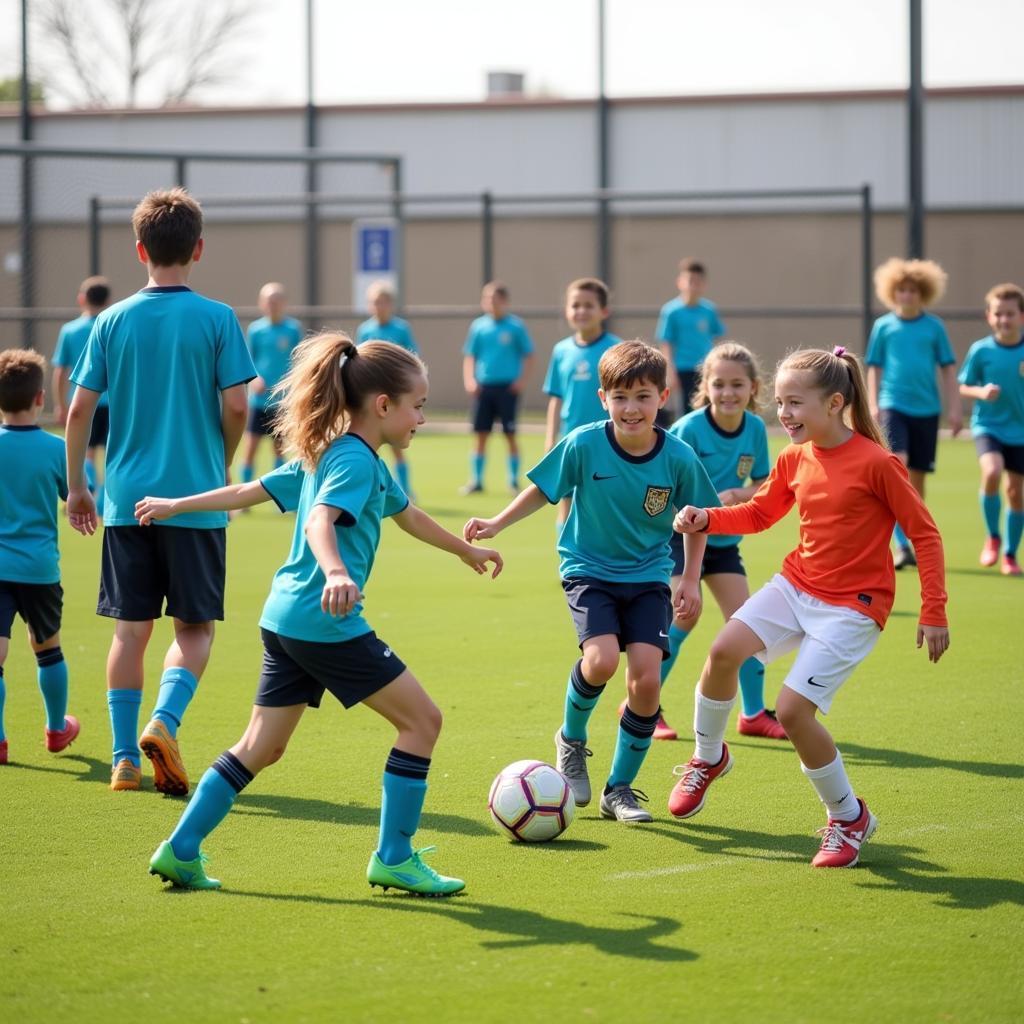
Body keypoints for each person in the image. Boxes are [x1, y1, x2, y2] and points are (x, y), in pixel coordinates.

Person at [142, 335, 502, 895]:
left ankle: (180, 849)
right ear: (383, 405)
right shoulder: (355, 462)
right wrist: (336, 572)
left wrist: (466, 549)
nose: (423, 419)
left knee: (262, 746)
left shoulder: (334, 452)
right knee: (422, 723)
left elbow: (256, 492)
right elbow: (319, 524)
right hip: (324, 621)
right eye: (419, 406)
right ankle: (395, 855)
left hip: (284, 620)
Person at [671, 347, 949, 868]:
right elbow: (759, 514)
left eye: (795, 403)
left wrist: (933, 609)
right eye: (780, 402)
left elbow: (925, 536)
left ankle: (849, 818)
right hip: (797, 585)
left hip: (853, 608)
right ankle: (708, 758)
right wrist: (705, 518)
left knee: (794, 711)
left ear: (836, 402)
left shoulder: (877, 462)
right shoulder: (794, 457)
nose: (785, 414)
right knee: (724, 650)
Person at [465, 340, 718, 824]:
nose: (631, 408)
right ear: (603, 398)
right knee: (600, 661)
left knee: (645, 679)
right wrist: (497, 523)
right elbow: (543, 489)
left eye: (643, 396)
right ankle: (571, 741)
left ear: (663, 397)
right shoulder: (584, 442)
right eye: (620, 396)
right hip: (587, 568)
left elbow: (699, 519)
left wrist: (688, 576)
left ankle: (619, 789)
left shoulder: (679, 457)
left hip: (647, 575)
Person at [64, 187, 256, 794]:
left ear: (139, 249)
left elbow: (76, 412)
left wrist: (78, 489)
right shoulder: (219, 317)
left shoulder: (110, 321)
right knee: (194, 631)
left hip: (124, 501)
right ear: (198, 249)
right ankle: (164, 723)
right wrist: (219, 466)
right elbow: (237, 405)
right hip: (195, 503)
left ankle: (124, 757)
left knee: (130, 631)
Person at [652, 342, 783, 741]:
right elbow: (659, 475)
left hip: (724, 542)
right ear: (704, 386)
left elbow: (763, 484)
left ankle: (754, 713)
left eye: (737, 385)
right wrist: (693, 509)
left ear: (753, 388)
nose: (728, 393)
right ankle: (644, 706)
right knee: (682, 618)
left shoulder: (756, 429)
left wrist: (736, 495)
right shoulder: (689, 429)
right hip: (680, 540)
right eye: (719, 384)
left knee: (746, 624)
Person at [0, 349, 79, 766]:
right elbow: (76, 498)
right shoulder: (56, 449)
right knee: (47, 648)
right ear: (38, 398)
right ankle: (55, 729)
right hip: (38, 568)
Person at [866, 257, 962, 569]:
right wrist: (872, 402)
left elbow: (948, 368)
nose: (907, 296)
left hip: (927, 410)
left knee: (916, 484)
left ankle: (915, 541)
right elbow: (874, 366)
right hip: (894, 404)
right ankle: (900, 546)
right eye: (902, 290)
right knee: (899, 467)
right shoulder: (883, 326)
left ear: (923, 293)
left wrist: (956, 407)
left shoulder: (934, 326)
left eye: (913, 291)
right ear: (892, 292)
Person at [542, 277, 621, 524]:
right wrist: (550, 441)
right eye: (575, 305)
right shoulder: (561, 350)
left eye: (589, 305)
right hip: (570, 442)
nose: (581, 311)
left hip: (608, 442)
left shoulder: (617, 350)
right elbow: (556, 399)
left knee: (606, 506)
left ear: (604, 311)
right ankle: (566, 560)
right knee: (565, 505)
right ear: (567, 310)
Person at [958, 282, 1024, 576]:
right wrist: (981, 393)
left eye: (1010, 314)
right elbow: (964, 385)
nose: (1004, 320)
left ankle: (1010, 555)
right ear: (989, 316)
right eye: (998, 314)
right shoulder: (981, 350)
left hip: (1020, 431)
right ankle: (992, 537)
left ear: (1021, 316)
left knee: (1015, 491)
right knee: (992, 471)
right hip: (989, 426)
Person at [460, 281, 534, 495]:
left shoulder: (516, 326)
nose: (490, 303)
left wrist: (521, 381)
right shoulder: (479, 327)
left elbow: (529, 355)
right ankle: (476, 480)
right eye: (486, 299)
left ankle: (513, 480)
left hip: (507, 388)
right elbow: (470, 355)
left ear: (505, 301)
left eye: (495, 299)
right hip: (484, 387)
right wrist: (470, 380)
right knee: (481, 434)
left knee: (509, 434)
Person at [356, 280, 420, 496]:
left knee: (396, 445)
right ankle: (367, 488)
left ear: (391, 304)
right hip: (372, 397)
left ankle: (406, 490)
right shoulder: (365, 330)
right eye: (374, 302)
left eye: (382, 302)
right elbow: (359, 361)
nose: (378, 306)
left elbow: (412, 360)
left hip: (394, 397)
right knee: (367, 444)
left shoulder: (401, 329)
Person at [52, 276, 112, 506]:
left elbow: (60, 372)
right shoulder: (109, 326)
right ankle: (103, 503)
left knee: (86, 452)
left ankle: (84, 493)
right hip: (112, 402)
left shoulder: (70, 330)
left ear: (81, 299)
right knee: (110, 455)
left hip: (82, 401)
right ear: (108, 301)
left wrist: (61, 404)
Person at [240, 282, 303, 485]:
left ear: (284, 303)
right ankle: (242, 498)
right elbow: (248, 361)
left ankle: (280, 497)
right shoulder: (256, 330)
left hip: (282, 401)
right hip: (259, 401)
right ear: (261, 303)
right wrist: (255, 379)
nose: (273, 304)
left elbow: (299, 361)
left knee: (280, 449)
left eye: (277, 300)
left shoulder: (293, 329)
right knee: (250, 448)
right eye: (269, 300)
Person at [655, 258, 725, 422]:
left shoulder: (709, 310)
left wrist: (718, 365)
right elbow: (666, 342)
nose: (693, 285)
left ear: (704, 284)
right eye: (690, 281)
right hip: (682, 369)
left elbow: (717, 338)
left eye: (698, 281)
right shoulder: (671, 311)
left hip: (706, 369)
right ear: (680, 282)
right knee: (686, 412)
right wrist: (670, 371)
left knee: (708, 410)